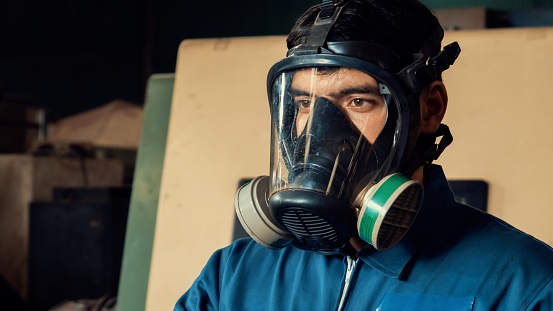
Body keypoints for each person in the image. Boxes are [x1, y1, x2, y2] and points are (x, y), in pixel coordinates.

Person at [174, 0, 553, 310]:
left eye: (358, 100)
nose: (317, 131)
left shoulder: (524, 284)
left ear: (430, 108)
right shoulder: (232, 277)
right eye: (304, 102)